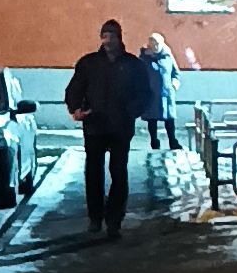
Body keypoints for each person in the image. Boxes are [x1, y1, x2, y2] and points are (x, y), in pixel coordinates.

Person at [64, 18, 151, 238]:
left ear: (119, 37)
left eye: (112, 35)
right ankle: (95, 217)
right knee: (93, 173)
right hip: (95, 126)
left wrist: (131, 111)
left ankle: (114, 220)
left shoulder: (133, 65)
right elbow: (74, 88)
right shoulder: (89, 63)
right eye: (105, 35)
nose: (108, 40)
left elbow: (145, 94)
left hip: (121, 127)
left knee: (118, 173)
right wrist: (76, 109)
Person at [139, 31, 182, 150]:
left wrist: (174, 85)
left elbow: (176, 73)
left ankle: (172, 141)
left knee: (169, 120)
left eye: (158, 44)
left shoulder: (167, 55)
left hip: (166, 94)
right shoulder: (144, 58)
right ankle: (154, 141)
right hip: (151, 94)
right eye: (153, 44)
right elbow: (138, 75)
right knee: (152, 120)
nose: (156, 46)